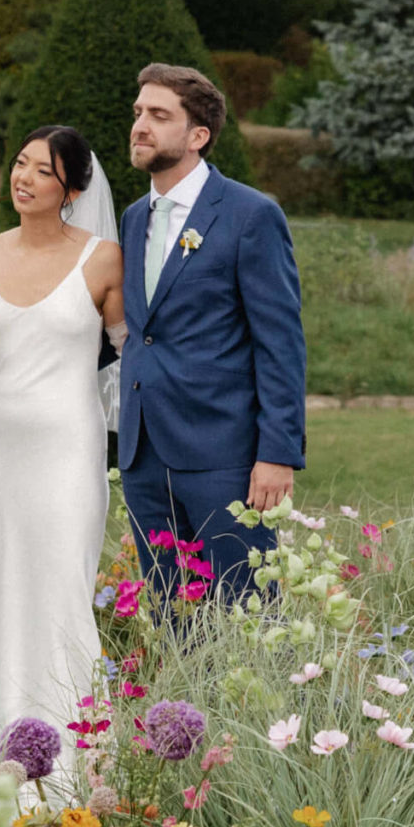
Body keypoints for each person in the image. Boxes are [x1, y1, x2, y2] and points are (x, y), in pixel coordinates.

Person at [0, 124, 125, 776]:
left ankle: (79, 765)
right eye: (20, 164)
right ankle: (3, 761)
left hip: (70, 453)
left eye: (43, 170)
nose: (23, 178)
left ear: (70, 190)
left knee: (63, 596)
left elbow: (132, 357)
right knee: (5, 599)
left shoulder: (102, 259)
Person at [116, 62, 306, 605]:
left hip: (225, 457)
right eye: (138, 113)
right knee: (173, 617)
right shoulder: (133, 218)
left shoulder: (250, 215)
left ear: (198, 135)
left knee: (249, 616)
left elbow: (280, 344)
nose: (140, 126)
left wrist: (278, 453)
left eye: (158, 115)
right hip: (144, 457)